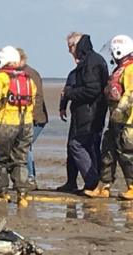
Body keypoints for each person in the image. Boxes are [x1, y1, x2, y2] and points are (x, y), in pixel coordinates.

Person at [0, 46, 37, 207]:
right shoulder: (28, 79)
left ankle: (2, 193)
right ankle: (22, 195)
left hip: (3, 124)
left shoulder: (0, 79)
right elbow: (32, 101)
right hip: (25, 125)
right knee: (20, 160)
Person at [57, 32, 108, 193]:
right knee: (82, 146)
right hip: (85, 112)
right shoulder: (87, 61)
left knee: (78, 145)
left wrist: (69, 94)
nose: (69, 51)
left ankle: (93, 182)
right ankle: (76, 182)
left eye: (70, 47)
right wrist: (64, 101)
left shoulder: (91, 62)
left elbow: (92, 90)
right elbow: (73, 83)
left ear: (77, 45)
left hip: (90, 112)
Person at [85, 35, 133, 200]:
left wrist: (120, 111)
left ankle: (132, 186)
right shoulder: (119, 69)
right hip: (115, 120)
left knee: (127, 155)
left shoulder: (130, 69)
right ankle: (103, 186)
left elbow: (130, 94)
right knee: (108, 153)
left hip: (128, 122)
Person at [17, 48, 48, 190]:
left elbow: (37, 98)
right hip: (24, 119)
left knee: (25, 145)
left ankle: (30, 178)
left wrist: (31, 118)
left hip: (36, 119)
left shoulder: (30, 74)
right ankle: (27, 177)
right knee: (24, 146)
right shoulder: (17, 74)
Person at [56, 69, 80, 192]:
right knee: (71, 149)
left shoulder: (92, 69)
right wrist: (62, 106)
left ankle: (88, 182)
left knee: (75, 148)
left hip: (87, 114)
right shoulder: (73, 73)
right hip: (78, 114)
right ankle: (71, 182)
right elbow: (66, 90)